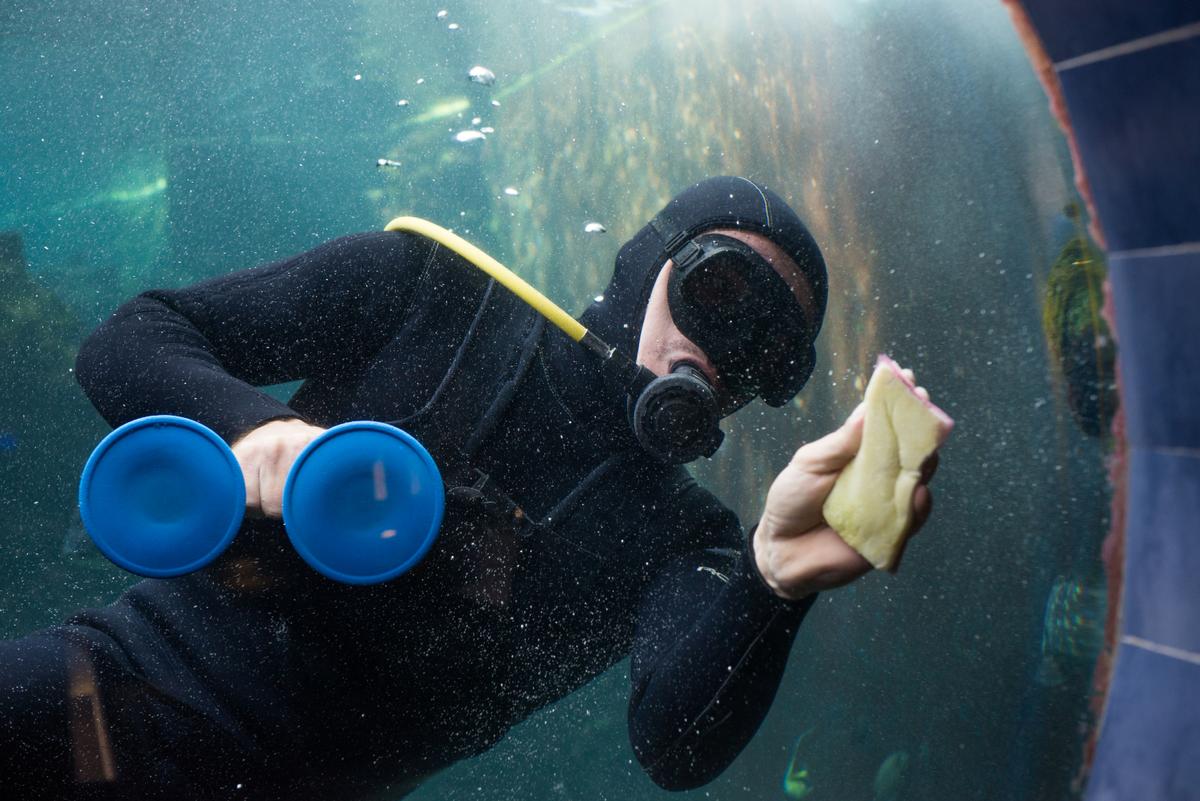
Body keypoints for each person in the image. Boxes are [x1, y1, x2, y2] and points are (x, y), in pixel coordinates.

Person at [0, 176, 937, 799]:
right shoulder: (431, 292)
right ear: (654, 258)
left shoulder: (689, 543)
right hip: (95, 692)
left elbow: (674, 744)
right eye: (722, 291)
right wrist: (258, 427)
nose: (722, 350)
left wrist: (775, 585)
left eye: (768, 351)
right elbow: (129, 340)